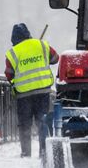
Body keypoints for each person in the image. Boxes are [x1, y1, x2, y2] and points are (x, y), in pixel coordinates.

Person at [5, 23, 59, 157]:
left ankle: (26, 152)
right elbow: (55, 58)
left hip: (23, 94)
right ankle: (44, 151)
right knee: (42, 121)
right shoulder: (41, 45)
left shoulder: (13, 52)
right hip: (42, 91)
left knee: (24, 124)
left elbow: (9, 74)